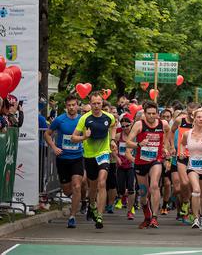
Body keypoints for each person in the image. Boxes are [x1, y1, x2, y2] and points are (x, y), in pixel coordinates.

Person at [71, 91, 117, 229]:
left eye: (99, 103)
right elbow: (73, 138)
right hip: (89, 156)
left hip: (103, 154)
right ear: (90, 104)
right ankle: (92, 205)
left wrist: (113, 140)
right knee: (93, 186)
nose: (96, 106)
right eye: (94, 103)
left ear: (102, 103)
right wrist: (84, 137)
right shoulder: (84, 119)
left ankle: (99, 216)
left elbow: (113, 126)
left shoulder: (109, 117)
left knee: (102, 183)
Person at [126, 101, 173, 229]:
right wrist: (139, 144)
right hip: (141, 162)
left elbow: (168, 132)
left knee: (154, 185)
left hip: (155, 160)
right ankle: (147, 214)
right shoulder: (139, 125)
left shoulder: (163, 124)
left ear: (158, 114)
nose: (152, 116)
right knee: (143, 194)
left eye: (154, 113)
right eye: (149, 114)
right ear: (144, 114)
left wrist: (166, 146)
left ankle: (154, 217)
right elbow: (128, 142)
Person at [43, 94, 83, 228]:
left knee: (77, 186)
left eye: (74, 105)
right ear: (66, 106)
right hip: (63, 158)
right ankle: (79, 198)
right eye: (69, 105)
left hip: (77, 157)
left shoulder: (83, 120)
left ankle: (72, 216)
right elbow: (47, 134)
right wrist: (54, 147)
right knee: (67, 191)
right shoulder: (60, 120)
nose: (71, 107)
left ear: (77, 105)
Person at [115, 113, 137, 219]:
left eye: (127, 126)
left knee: (131, 188)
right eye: (122, 126)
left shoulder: (135, 136)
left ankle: (130, 210)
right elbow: (112, 147)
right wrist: (117, 158)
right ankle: (123, 197)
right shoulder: (119, 136)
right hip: (121, 165)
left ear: (131, 124)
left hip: (131, 165)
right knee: (121, 190)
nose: (125, 128)